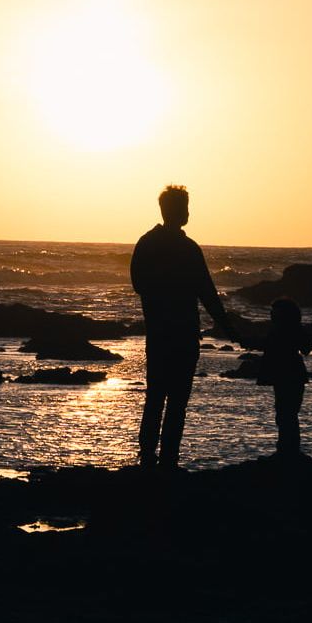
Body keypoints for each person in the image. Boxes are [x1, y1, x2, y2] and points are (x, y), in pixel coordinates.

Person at [131, 184, 233, 468]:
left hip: (159, 334)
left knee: (156, 397)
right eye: (185, 207)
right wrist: (230, 329)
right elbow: (208, 293)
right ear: (175, 210)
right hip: (183, 334)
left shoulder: (146, 243)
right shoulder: (188, 249)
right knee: (176, 401)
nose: (188, 212)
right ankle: (168, 460)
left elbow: (139, 284)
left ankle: (148, 457)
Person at [258, 297, 312, 457]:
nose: (271, 314)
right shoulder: (292, 329)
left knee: (285, 413)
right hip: (294, 375)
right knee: (287, 413)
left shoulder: (282, 330)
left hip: (287, 375)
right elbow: (306, 347)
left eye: (274, 311)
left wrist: (244, 339)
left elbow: (267, 343)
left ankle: (287, 450)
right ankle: (288, 449)